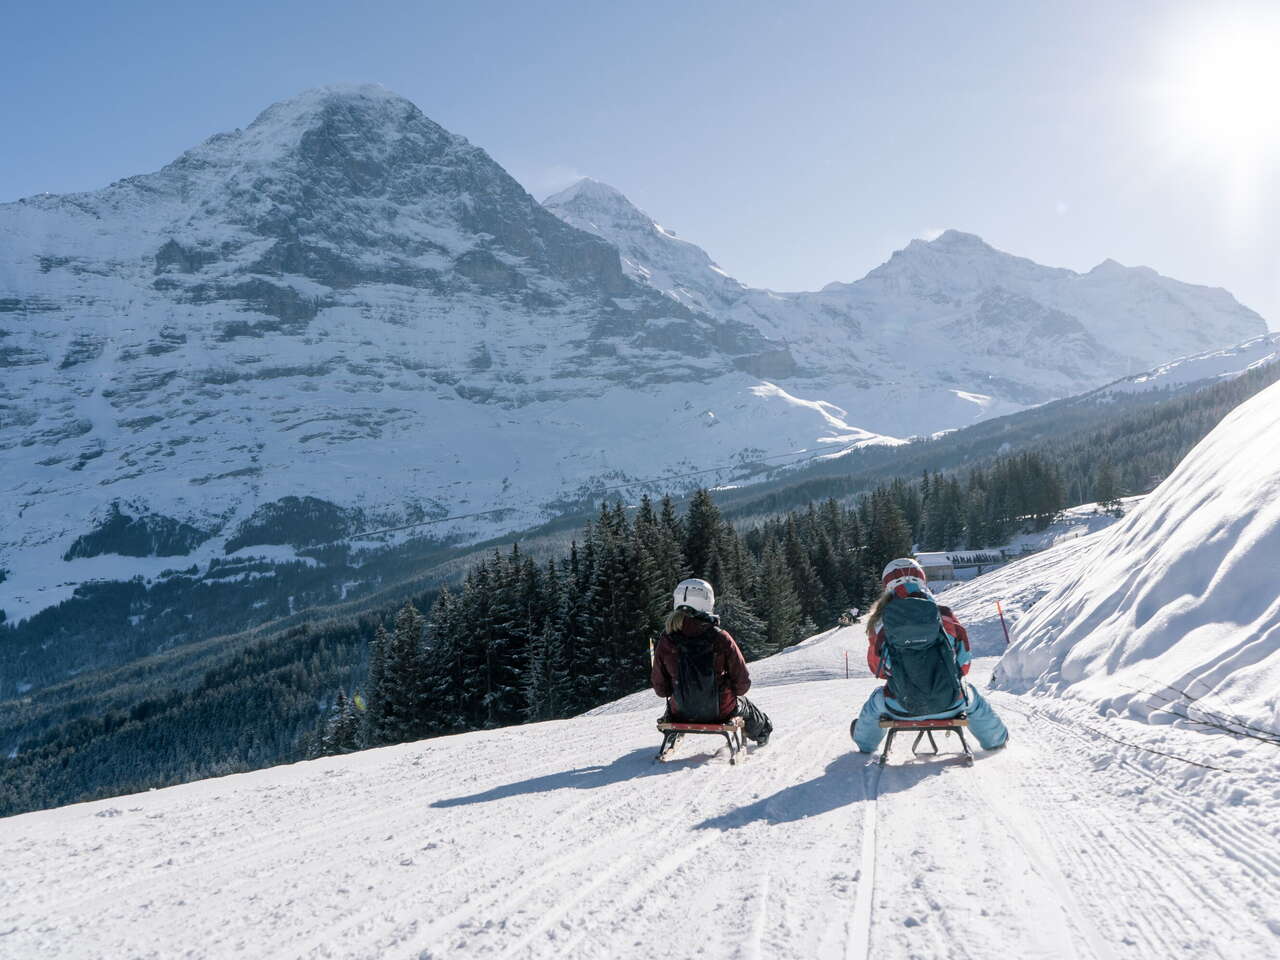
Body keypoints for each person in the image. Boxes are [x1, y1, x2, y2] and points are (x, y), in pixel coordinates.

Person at [850, 558, 1008, 753]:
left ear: (887, 585)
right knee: (971, 695)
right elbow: (964, 665)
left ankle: (865, 745)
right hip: (951, 702)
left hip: (900, 706)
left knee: (876, 700)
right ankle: (996, 740)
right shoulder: (944, 615)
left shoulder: (881, 623)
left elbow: (879, 669)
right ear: (922, 580)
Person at [651, 578, 773, 746]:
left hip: (680, 711)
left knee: (675, 703)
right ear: (707, 602)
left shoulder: (666, 639)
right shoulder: (720, 637)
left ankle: (671, 731)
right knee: (745, 705)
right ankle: (763, 733)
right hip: (721, 712)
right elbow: (742, 684)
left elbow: (661, 689)